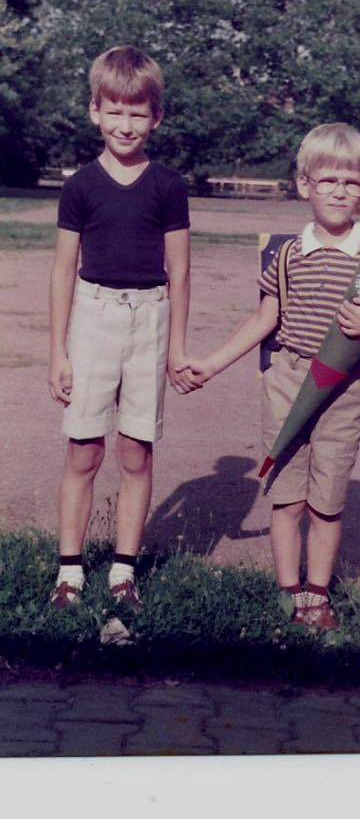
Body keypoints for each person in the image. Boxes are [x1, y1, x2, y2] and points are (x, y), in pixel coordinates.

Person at [175, 123, 360, 631]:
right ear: (304, 185)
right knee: (287, 496)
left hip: (346, 389)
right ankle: (289, 591)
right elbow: (264, 319)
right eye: (327, 180)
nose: (339, 191)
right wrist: (212, 363)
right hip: (287, 380)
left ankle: (318, 594)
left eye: (351, 182)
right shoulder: (287, 254)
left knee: (327, 503)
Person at [48, 45, 195, 609]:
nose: (125, 124)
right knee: (83, 450)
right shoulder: (80, 186)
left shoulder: (168, 186)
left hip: (150, 318)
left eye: (138, 113)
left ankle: (122, 573)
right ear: (95, 111)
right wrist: (58, 352)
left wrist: (176, 347)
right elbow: (64, 269)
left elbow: (180, 272)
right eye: (115, 111)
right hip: (93, 317)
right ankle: (69, 573)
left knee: (136, 451)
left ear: (157, 118)